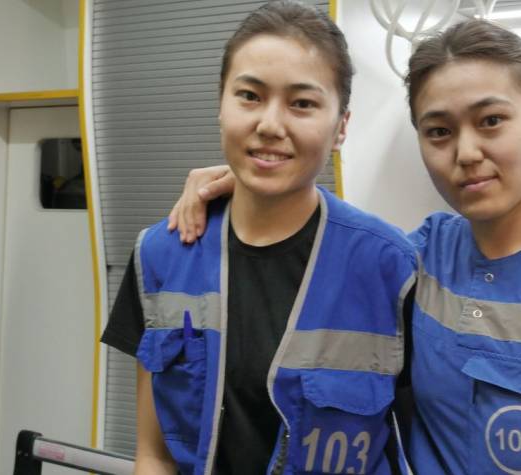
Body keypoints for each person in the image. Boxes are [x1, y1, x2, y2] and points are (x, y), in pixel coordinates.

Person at [169, 19, 521, 475]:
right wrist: (254, 182)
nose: (466, 152)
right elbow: (319, 238)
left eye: (491, 121)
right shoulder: (417, 260)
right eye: (439, 132)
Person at [100, 2, 416, 474]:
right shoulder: (160, 256)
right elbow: (154, 454)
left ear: (341, 127)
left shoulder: (391, 267)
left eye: (302, 103)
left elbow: (419, 447)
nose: (269, 125)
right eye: (249, 95)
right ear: (220, 105)